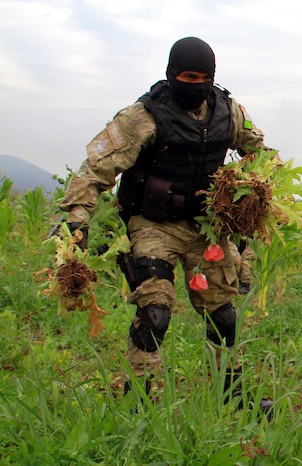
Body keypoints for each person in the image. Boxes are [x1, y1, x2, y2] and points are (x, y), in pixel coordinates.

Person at [59, 36, 274, 410]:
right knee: (155, 313)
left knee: (223, 316)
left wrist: (257, 189)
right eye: (187, 76)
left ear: (213, 77)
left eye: (202, 77)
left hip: (205, 227)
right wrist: (76, 221)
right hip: (152, 225)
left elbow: (262, 155)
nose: (195, 84)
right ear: (172, 75)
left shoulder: (229, 112)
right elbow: (96, 169)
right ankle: (138, 402)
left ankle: (232, 396)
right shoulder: (142, 117)